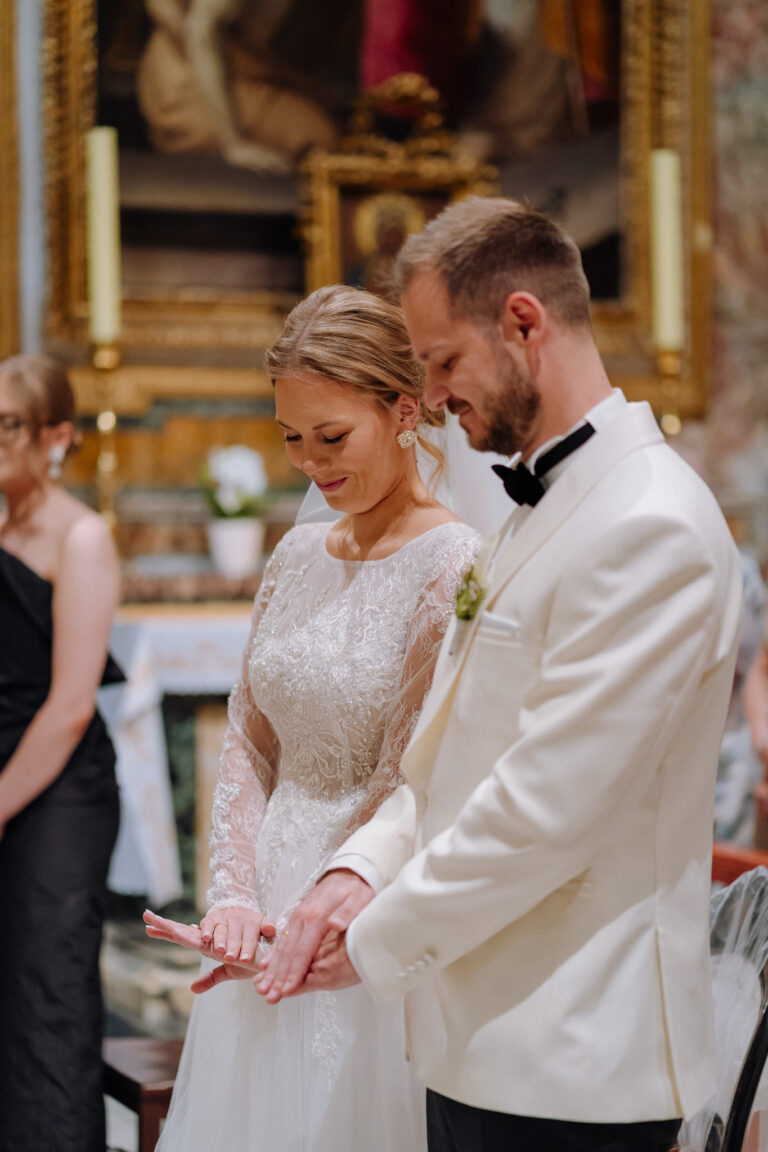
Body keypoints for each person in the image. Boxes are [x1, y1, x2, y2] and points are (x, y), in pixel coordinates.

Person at [248, 197, 744, 1152]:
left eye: (442, 363)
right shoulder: (539, 507)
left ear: (525, 323)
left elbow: (546, 809)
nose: (430, 399)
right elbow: (447, 757)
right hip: (477, 1036)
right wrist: (357, 872)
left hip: (578, 1056)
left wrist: (373, 939)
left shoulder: (652, 526)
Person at [143, 285, 481, 1151]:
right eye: (291, 438)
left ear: (405, 412)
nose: (310, 463)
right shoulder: (296, 552)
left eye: (333, 437)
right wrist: (232, 894)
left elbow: (406, 771)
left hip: (363, 909)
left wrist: (317, 906)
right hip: (265, 895)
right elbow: (252, 742)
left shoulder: (451, 561)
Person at [0, 355, 122, 1152]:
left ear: (56, 437)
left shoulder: (81, 539)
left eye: (7, 425)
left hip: (57, 788)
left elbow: (72, 704)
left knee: (43, 984)